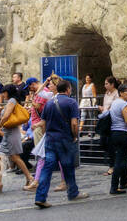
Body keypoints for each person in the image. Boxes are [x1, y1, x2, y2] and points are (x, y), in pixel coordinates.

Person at [34, 79, 87, 208]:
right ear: (68, 89)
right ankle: (73, 193)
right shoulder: (71, 102)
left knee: (47, 168)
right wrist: (74, 136)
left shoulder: (50, 103)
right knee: (68, 167)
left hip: (50, 139)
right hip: (64, 139)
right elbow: (74, 123)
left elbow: (44, 123)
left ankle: (40, 197)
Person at [0, 90, 35, 189]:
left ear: (8, 92)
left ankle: (30, 178)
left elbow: (6, 116)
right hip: (8, 132)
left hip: (11, 133)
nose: (2, 95)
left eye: (3, 92)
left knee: (15, 157)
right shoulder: (11, 101)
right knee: (1, 157)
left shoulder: (12, 100)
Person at [107, 83, 127, 195]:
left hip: (115, 133)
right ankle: (114, 187)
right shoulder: (123, 104)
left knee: (125, 157)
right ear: (121, 92)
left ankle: (124, 182)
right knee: (120, 160)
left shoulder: (115, 102)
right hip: (122, 133)